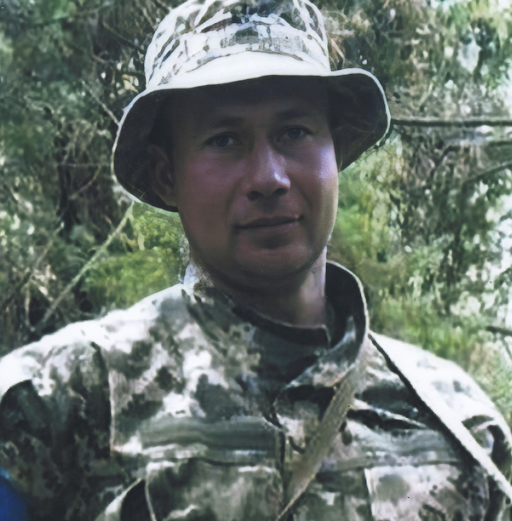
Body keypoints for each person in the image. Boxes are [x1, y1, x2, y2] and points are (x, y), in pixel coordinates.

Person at [1, 0, 511, 520]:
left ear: (335, 150)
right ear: (166, 176)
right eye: (224, 140)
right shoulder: (60, 405)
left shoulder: (459, 430)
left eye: (294, 132)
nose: (269, 177)